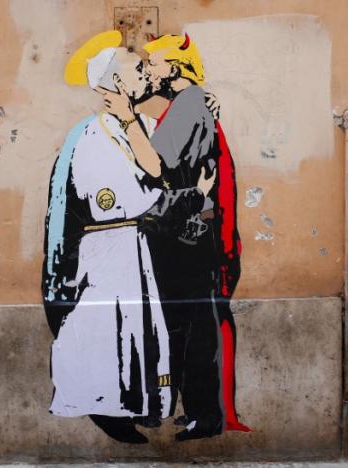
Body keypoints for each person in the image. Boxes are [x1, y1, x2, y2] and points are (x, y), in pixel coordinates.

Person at [42, 30, 216, 444]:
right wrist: (195, 196)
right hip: (107, 254)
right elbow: (129, 201)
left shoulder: (140, 125)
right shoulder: (92, 136)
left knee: (137, 337)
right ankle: (110, 415)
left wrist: (202, 105)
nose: (146, 74)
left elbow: (163, 163)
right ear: (117, 83)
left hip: (134, 252)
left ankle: (135, 407)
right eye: (138, 68)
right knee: (110, 338)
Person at [107, 33, 249, 440]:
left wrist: (127, 120)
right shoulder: (188, 105)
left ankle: (196, 414)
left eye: (154, 64)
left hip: (185, 238)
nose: (149, 71)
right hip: (191, 233)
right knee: (190, 328)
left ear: (174, 68)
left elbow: (153, 166)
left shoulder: (188, 105)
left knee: (186, 330)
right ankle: (197, 412)